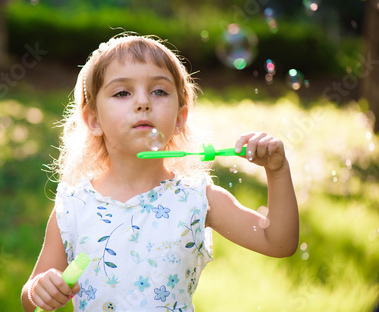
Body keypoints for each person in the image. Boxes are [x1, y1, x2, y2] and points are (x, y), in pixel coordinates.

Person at [20, 33, 299, 312]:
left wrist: (277, 171)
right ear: (93, 120)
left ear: (180, 118)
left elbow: (279, 242)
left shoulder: (197, 198)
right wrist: (39, 289)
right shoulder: (74, 207)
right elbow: (29, 300)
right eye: (122, 93)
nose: (143, 102)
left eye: (159, 91)